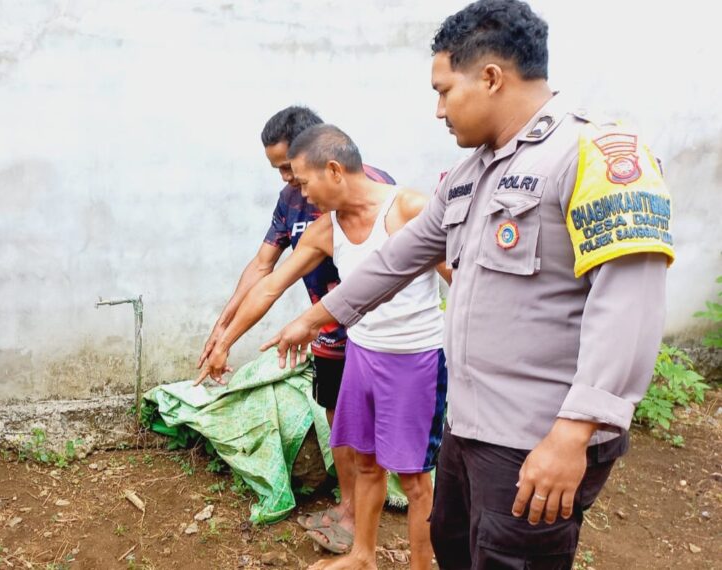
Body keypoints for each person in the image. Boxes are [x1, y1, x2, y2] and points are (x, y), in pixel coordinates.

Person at [263, 1, 674, 568]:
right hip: (470, 425)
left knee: (512, 560)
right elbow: (399, 256)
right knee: (457, 548)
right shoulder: (471, 174)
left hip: (538, 438)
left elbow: (630, 302)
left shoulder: (594, 156)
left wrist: (574, 434)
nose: (438, 110)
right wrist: (315, 316)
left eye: (443, 90)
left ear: (490, 77)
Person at [198, 125, 450, 568]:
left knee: (414, 482)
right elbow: (270, 285)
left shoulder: (409, 208)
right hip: (362, 357)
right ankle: (363, 556)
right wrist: (225, 343)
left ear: (333, 170)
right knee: (367, 466)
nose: (301, 194)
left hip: (415, 363)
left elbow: (465, 280)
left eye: (303, 181)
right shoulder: (325, 230)